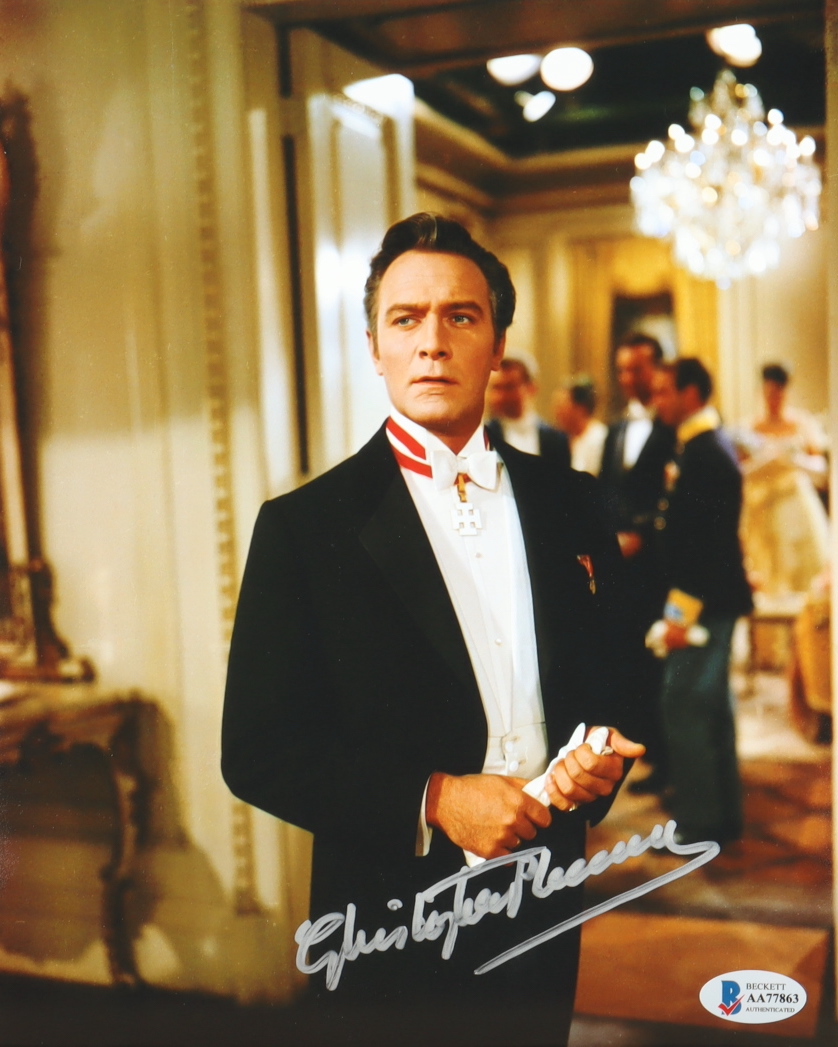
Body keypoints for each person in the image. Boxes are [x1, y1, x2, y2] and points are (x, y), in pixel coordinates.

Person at [221, 213, 643, 1046]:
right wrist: (438, 798)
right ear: (375, 346)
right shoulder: (305, 527)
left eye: (461, 316)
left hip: (546, 896)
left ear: (498, 343)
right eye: (406, 319)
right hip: (392, 918)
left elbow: (618, 673)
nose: (432, 343)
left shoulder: (571, 499)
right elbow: (258, 750)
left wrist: (601, 754)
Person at [650, 358, 754, 847]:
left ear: (690, 394)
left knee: (685, 704)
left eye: (664, 391)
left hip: (703, 603)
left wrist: (678, 618)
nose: (657, 402)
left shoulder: (705, 454)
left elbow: (702, 549)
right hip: (712, 598)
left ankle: (699, 824)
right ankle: (722, 814)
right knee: (711, 707)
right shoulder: (704, 446)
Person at [599, 333, 676, 794]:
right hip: (622, 572)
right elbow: (608, 491)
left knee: (663, 666)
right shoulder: (616, 429)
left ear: (657, 369)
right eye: (623, 370)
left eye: (637, 369)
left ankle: (671, 766)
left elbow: (678, 500)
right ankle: (648, 753)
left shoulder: (673, 427)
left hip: (661, 568)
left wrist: (642, 533)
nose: (628, 378)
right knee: (633, 665)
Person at [735, 362, 829, 596]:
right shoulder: (749, 427)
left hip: (794, 502)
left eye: (778, 393)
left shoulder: (802, 423)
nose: (773, 400)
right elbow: (739, 471)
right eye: (769, 393)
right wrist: (764, 461)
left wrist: (794, 459)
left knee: (800, 573)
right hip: (760, 504)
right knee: (766, 571)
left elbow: (821, 468)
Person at [485, 353, 571, 468]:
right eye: (496, 388)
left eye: (509, 387)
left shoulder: (556, 439)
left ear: (532, 388)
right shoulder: (485, 436)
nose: (501, 396)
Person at [552, 375, 608, 475]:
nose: (558, 412)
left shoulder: (599, 438)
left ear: (581, 408)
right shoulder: (566, 439)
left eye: (563, 404)